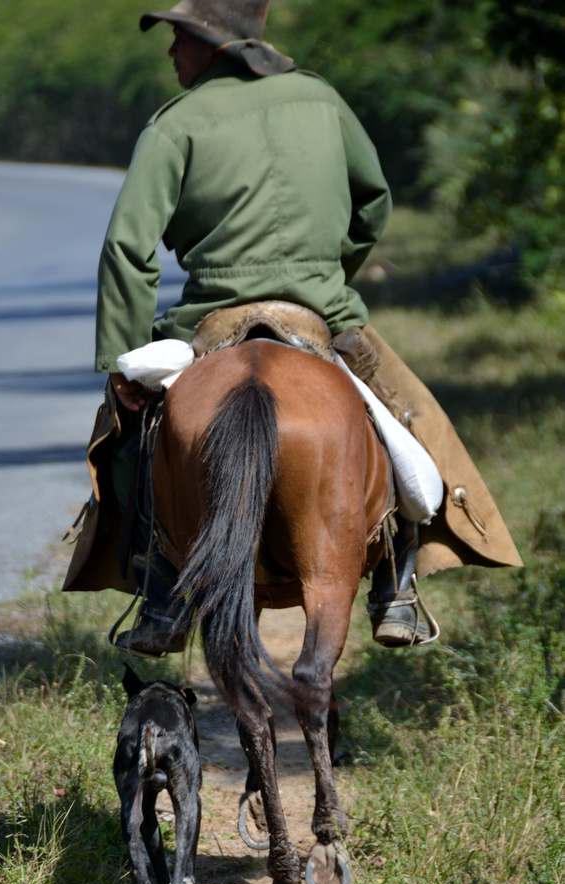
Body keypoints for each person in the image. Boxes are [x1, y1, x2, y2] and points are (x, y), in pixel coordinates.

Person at [63, 0, 522, 653]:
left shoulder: (175, 125)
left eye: (177, 38)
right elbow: (372, 202)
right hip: (319, 312)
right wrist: (330, 273)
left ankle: (161, 597)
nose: (171, 53)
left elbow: (127, 249)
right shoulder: (321, 99)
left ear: (210, 42)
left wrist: (124, 358)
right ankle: (396, 587)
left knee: (130, 436)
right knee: (411, 422)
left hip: (210, 318)